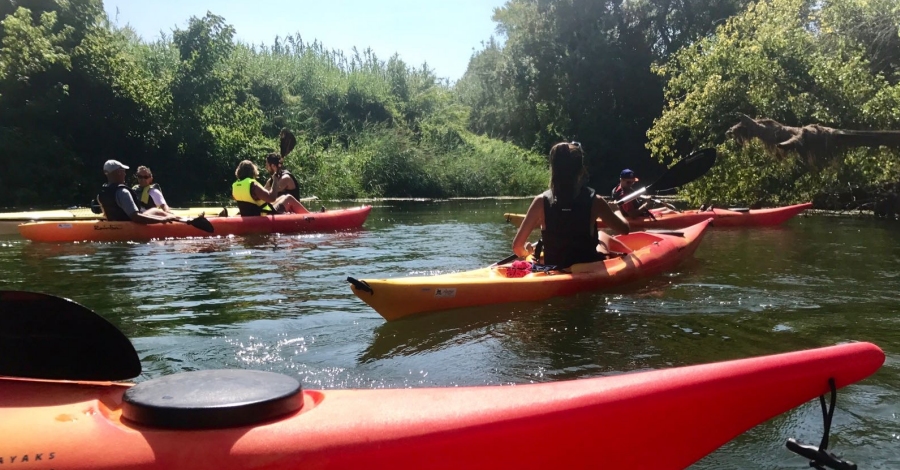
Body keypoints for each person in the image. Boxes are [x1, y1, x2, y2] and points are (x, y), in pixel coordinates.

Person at [513, 142, 630, 268]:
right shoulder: (596, 201)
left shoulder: (540, 202)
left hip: (554, 268)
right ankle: (630, 254)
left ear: (554, 169)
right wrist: (617, 211)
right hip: (587, 269)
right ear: (580, 171)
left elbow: (517, 247)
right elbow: (625, 229)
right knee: (602, 236)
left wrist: (527, 253)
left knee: (601, 237)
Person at [96, 160, 180, 224]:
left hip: (115, 224)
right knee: (156, 211)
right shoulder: (123, 192)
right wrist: (162, 220)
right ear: (118, 172)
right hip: (129, 225)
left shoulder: (101, 193)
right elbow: (136, 217)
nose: (125, 174)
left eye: (145, 177)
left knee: (154, 210)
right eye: (123, 171)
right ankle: (181, 222)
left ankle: (176, 218)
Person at [231, 160, 309, 216]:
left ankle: (308, 215)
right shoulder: (253, 185)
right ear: (252, 171)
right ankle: (311, 216)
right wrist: (275, 181)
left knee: (283, 197)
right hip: (263, 215)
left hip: (248, 215)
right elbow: (272, 198)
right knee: (288, 198)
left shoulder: (235, 185)